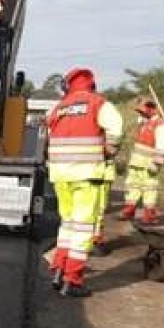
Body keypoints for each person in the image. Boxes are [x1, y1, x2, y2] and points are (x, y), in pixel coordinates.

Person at [46, 68, 124, 297]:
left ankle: (59, 268)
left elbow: (49, 127)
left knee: (68, 224)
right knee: (82, 227)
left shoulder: (60, 107)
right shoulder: (98, 104)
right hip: (86, 174)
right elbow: (116, 129)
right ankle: (74, 279)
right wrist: (110, 149)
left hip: (60, 175)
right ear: (91, 84)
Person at [119, 99, 164, 224]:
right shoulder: (144, 123)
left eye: (143, 111)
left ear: (152, 109)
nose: (141, 114)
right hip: (136, 163)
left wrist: (157, 163)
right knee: (132, 186)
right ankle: (129, 210)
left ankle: (149, 215)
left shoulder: (160, 125)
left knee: (149, 189)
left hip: (149, 164)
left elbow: (162, 146)